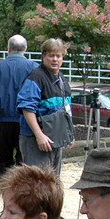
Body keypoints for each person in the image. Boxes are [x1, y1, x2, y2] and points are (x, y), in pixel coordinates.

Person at [17, 37, 74, 175]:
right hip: (36, 140)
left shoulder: (62, 79)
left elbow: (66, 109)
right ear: (43, 56)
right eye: (51, 55)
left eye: (58, 56)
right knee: (37, 182)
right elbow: (27, 109)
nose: (55, 59)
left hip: (56, 139)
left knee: (53, 182)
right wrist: (39, 135)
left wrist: (69, 133)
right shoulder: (35, 78)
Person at [0, 35, 37, 173]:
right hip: (27, 122)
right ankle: (22, 186)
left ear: (8, 48)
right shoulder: (34, 68)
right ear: (25, 48)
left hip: (2, 122)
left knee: (4, 161)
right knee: (24, 162)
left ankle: (6, 187)